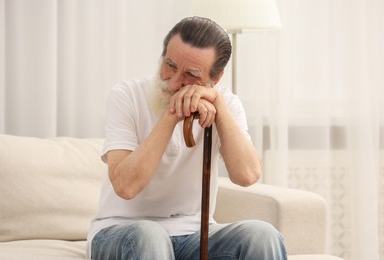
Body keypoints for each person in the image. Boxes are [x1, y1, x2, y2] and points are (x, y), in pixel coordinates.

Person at [87, 16, 287, 260]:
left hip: (195, 235)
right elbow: (125, 187)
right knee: (150, 235)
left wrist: (219, 107)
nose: (173, 83)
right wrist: (172, 114)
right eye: (170, 64)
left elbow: (247, 175)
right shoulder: (126, 96)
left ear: (216, 79)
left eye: (191, 74)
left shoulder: (226, 104)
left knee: (262, 235)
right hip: (121, 232)